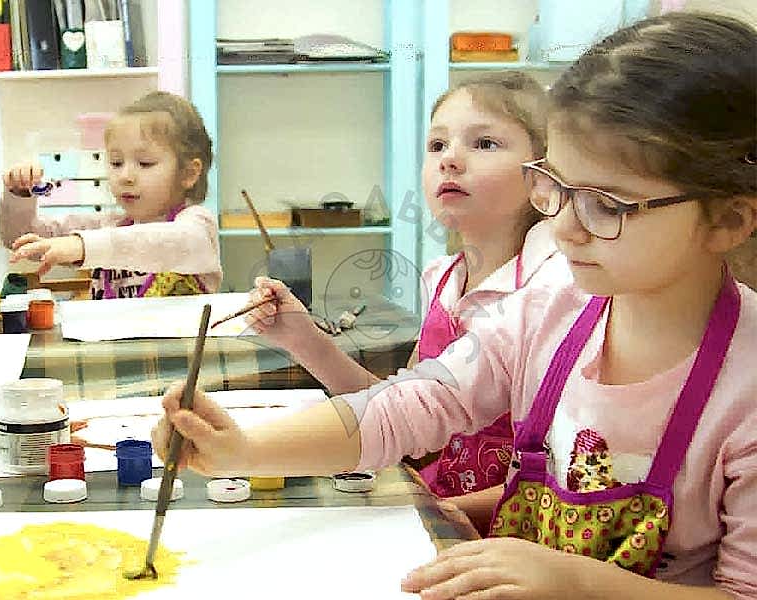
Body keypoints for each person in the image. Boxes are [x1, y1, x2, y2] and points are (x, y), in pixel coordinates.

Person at [153, 12, 757, 599]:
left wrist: (573, 581)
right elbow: (413, 403)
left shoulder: (745, 391)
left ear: (728, 219)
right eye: (558, 188)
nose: (566, 228)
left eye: (606, 204)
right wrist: (246, 448)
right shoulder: (549, 309)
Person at [243, 73, 570, 533]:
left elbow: (564, 476)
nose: (450, 159)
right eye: (437, 145)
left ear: (544, 176)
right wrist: (303, 338)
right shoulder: (441, 279)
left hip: (509, 532)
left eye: (485, 143)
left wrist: (443, 512)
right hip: (439, 506)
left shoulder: (553, 288)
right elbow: (405, 413)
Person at [0, 91, 222, 298]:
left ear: (188, 173)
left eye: (145, 163)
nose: (125, 176)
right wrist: (19, 195)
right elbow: (19, 240)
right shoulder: (106, 226)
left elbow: (173, 242)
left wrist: (81, 247)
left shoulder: (198, 224)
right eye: (116, 163)